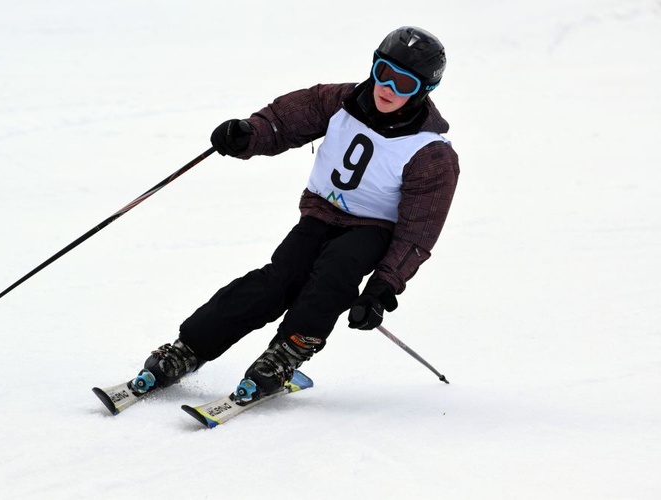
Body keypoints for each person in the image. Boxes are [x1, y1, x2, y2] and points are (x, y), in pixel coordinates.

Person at [141, 26, 460, 402]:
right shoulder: (339, 101)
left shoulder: (431, 153)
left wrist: (381, 289)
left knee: (334, 275)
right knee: (278, 280)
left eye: (404, 83)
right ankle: (189, 348)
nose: (388, 88)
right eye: (383, 73)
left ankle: (288, 351)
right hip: (321, 213)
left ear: (424, 90)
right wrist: (248, 133)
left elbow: (418, 233)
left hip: (373, 228)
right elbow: (284, 122)